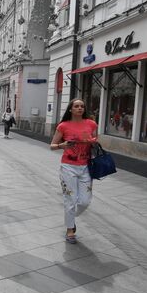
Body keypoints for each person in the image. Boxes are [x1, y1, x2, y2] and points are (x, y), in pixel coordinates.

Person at [50, 99, 98, 244]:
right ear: (70, 109)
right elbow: (52, 145)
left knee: (85, 201)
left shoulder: (91, 124)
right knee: (70, 200)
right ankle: (70, 229)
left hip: (86, 166)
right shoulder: (63, 126)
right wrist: (62, 145)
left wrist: (92, 141)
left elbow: (96, 141)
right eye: (76, 106)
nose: (80, 108)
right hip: (68, 167)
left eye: (82, 106)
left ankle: (70, 218)